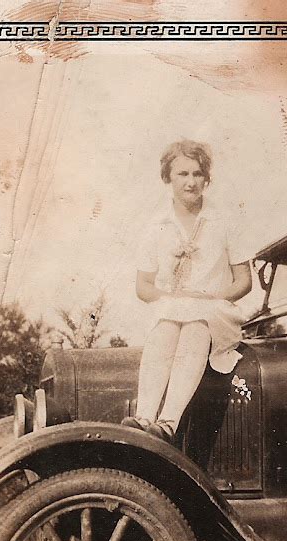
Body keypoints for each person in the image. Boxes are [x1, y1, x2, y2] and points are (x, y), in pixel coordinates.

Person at [121, 140, 252, 443]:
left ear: (206, 178)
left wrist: (212, 298)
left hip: (215, 313)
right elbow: (143, 287)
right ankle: (144, 417)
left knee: (195, 325)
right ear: (168, 178)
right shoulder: (156, 226)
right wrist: (171, 298)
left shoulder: (226, 220)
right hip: (171, 309)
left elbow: (244, 281)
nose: (191, 182)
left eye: (197, 174)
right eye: (182, 174)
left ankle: (168, 422)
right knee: (165, 324)